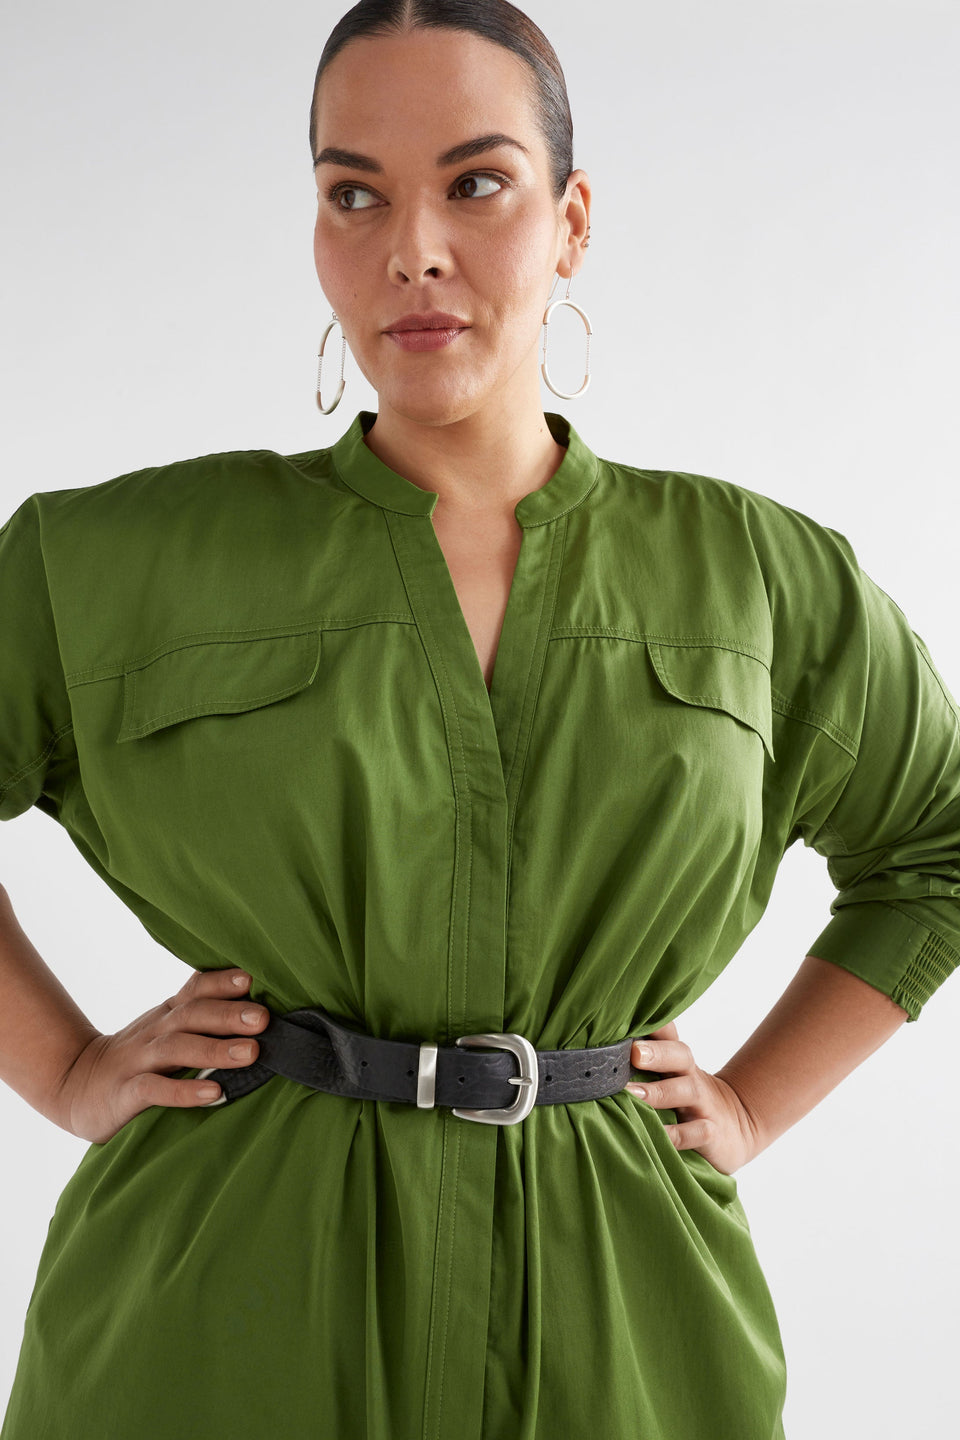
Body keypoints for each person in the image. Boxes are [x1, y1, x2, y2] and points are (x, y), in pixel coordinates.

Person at [1, 1, 957, 1436]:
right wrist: (67, 1069)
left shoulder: (761, 577)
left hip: (624, 1332)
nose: (414, 250)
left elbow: (935, 849)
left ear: (572, 221)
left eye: (477, 182)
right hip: (218, 1326)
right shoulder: (109, 560)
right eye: (355, 194)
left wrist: (754, 1106)